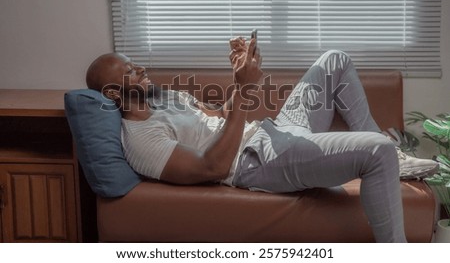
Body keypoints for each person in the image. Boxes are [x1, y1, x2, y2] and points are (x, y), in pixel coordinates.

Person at [86, 37, 437, 243]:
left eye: (135, 64)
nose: (142, 70)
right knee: (375, 151)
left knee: (335, 60)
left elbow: (219, 115)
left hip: (274, 130)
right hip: (256, 160)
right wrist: (244, 88)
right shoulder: (141, 139)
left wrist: (239, 69)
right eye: (131, 71)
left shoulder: (166, 99)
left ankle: (397, 158)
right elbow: (213, 166)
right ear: (115, 92)